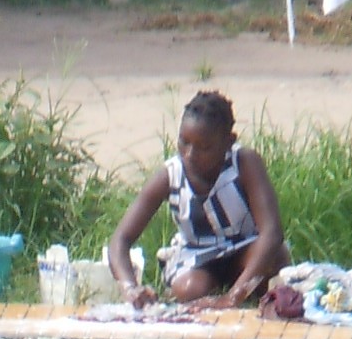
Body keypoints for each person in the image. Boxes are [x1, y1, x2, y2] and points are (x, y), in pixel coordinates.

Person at [107, 90, 286, 309]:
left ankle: (239, 292)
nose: (190, 154)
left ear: (229, 142)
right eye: (184, 142)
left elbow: (272, 232)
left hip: (244, 250)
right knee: (191, 290)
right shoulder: (170, 175)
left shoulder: (245, 163)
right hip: (197, 257)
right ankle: (208, 293)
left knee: (274, 259)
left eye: (204, 147)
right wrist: (130, 288)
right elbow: (120, 240)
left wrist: (233, 297)